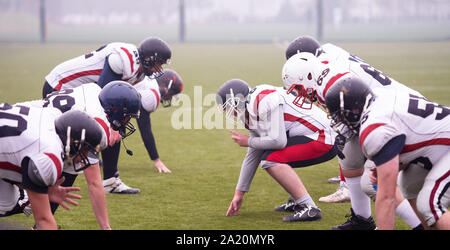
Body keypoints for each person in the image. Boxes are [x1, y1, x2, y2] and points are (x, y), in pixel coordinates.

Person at [282, 36, 424, 229]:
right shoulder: (325, 64)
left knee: (372, 183)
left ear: (306, 75)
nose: (300, 95)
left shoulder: (333, 83)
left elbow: (364, 115)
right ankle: (361, 219)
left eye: (298, 89)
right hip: (375, 109)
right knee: (348, 156)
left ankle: (420, 226)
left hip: (393, 116)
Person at [42, 36, 172, 193]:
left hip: (81, 91)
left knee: (116, 122)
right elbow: (103, 93)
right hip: (61, 86)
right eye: (159, 63)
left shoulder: (140, 73)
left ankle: (110, 180)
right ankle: (46, 178)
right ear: (149, 58)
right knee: (104, 125)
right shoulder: (124, 59)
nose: (159, 69)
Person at [325, 76, 450, 229]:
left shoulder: (374, 128)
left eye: (340, 115)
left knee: (429, 204)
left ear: (355, 109)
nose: (340, 121)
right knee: (410, 184)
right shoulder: (380, 97)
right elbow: (412, 136)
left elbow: (386, 198)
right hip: (441, 141)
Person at [23, 80, 141, 229]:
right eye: (126, 117)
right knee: (17, 200)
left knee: (70, 165)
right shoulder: (98, 128)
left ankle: (42, 224)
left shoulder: (94, 89)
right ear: (115, 110)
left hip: (26, 117)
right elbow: (94, 184)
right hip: (28, 134)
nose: (128, 121)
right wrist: (106, 227)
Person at [216, 79, 338, 222]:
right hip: (315, 136)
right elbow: (253, 153)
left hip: (324, 137)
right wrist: (239, 193)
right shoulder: (251, 107)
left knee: (271, 159)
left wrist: (248, 141)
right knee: (271, 156)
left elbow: (278, 142)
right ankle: (297, 201)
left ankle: (309, 208)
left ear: (239, 100)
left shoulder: (264, 99)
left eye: (229, 108)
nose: (230, 113)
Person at [0, 106, 102, 230]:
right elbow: (43, 221)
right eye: (85, 149)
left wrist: (45, 190)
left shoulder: (51, 115)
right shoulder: (49, 155)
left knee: (7, 200)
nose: (85, 156)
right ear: (73, 141)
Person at [102, 69, 184, 193]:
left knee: (111, 124)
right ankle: (108, 178)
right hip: (106, 97)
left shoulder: (148, 81)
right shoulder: (152, 94)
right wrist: (156, 160)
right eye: (172, 93)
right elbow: (145, 129)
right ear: (166, 88)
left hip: (102, 92)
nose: (170, 97)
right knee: (116, 127)